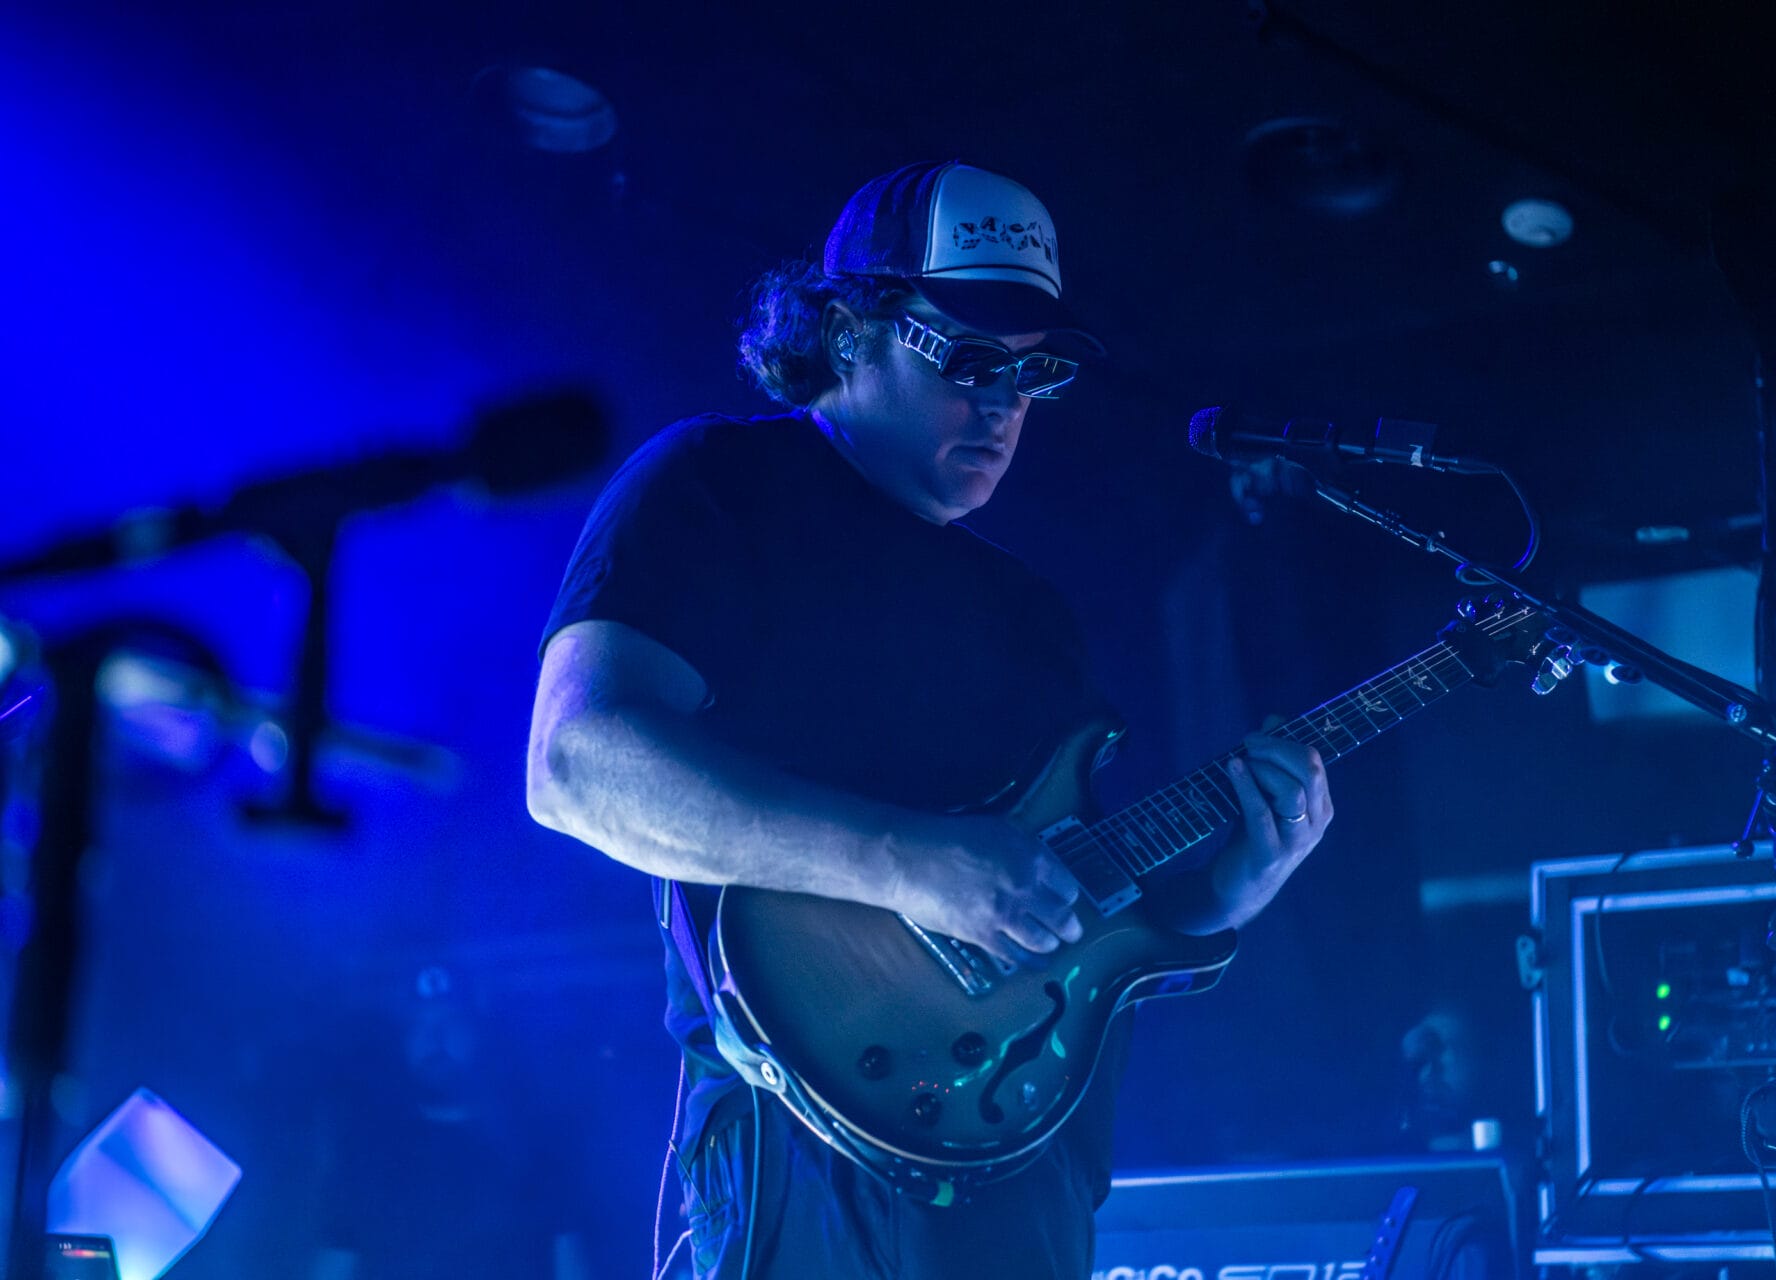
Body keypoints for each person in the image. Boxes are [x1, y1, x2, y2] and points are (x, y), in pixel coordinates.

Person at [525, 160, 1332, 1280]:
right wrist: (906, 861)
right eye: (967, 359)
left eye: (1032, 372)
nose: (1004, 405)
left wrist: (1230, 887)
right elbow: (573, 764)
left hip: (1031, 1165)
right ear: (846, 331)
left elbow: (1064, 928)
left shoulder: (1030, 611)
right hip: (809, 1149)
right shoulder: (718, 481)